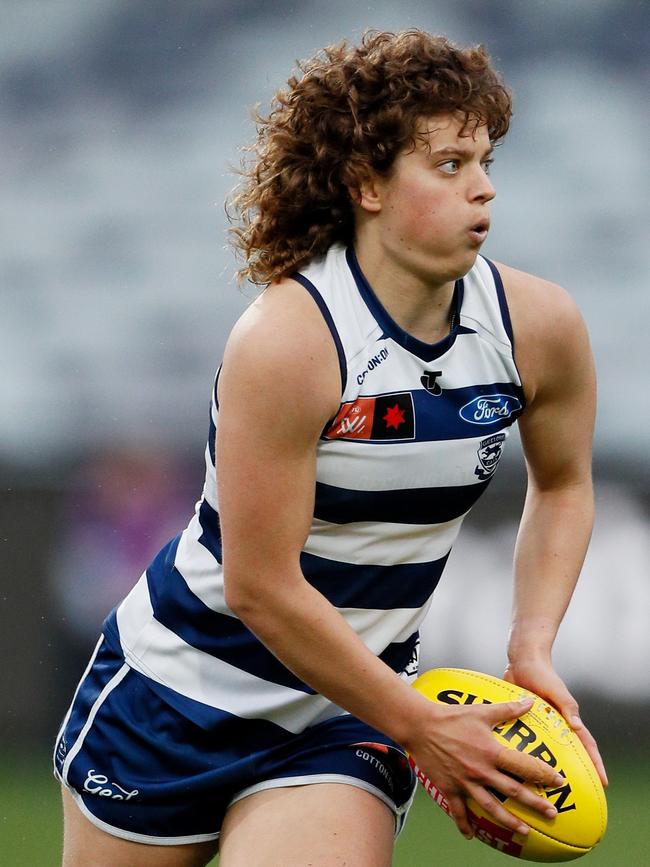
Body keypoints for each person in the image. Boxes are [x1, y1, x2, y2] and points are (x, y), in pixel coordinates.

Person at [54, 30, 607, 867]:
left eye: (485, 160)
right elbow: (261, 587)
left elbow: (563, 484)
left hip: (348, 707)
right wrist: (425, 726)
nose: (485, 190)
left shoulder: (540, 327)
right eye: (449, 165)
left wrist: (530, 642)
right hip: (176, 693)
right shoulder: (290, 340)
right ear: (365, 184)